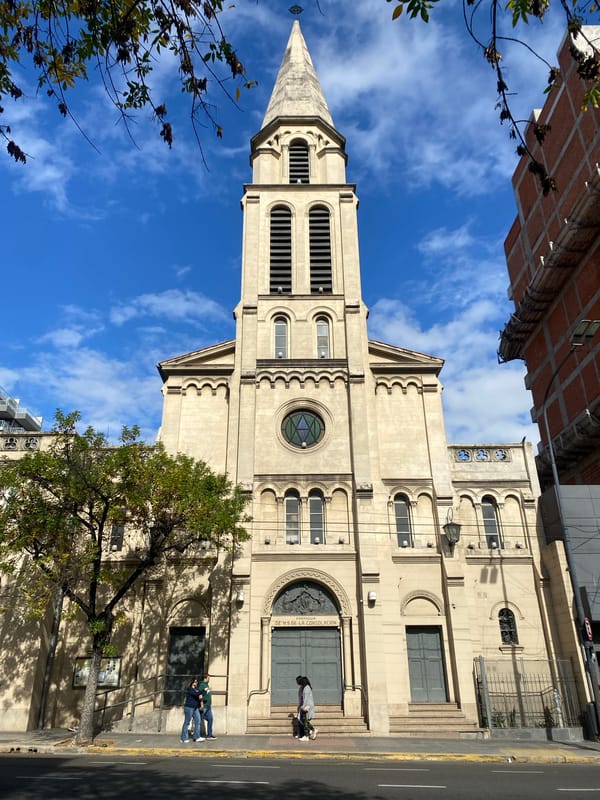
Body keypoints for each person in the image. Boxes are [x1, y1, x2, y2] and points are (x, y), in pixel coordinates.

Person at [181, 677, 204, 743]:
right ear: (191, 682)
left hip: (195, 708)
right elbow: (196, 694)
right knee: (187, 722)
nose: (196, 683)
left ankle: (197, 737)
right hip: (189, 707)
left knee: (198, 721)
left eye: (196, 682)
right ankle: (184, 738)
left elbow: (199, 695)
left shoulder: (196, 689)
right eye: (195, 682)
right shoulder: (190, 689)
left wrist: (201, 702)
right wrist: (203, 690)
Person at [297, 676, 318, 741]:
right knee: (303, 720)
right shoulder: (304, 688)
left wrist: (303, 707)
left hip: (307, 707)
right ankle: (311, 731)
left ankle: (308, 734)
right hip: (305, 706)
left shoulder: (306, 688)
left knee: (304, 720)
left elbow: (305, 699)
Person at [198, 673, 217, 739]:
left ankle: (209, 735)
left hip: (208, 706)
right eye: (208, 678)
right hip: (204, 706)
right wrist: (201, 704)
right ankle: (197, 735)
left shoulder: (206, 685)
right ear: (205, 678)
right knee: (199, 720)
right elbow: (199, 694)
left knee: (210, 719)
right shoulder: (201, 685)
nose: (209, 679)